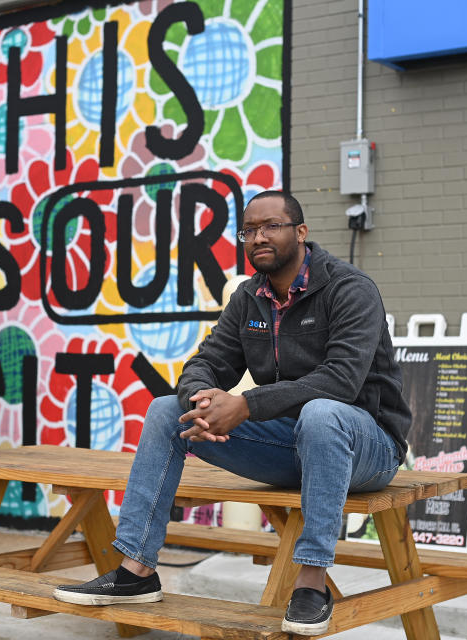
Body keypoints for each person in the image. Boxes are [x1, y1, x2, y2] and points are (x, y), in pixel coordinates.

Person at [53, 191, 412, 635]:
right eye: (249, 230)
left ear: (301, 232)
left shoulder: (349, 289)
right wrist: (203, 399)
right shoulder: (249, 298)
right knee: (168, 410)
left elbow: (340, 381)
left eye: (272, 226)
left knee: (323, 413)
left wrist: (245, 405)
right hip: (295, 446)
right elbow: (205, 363)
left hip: (368, 446)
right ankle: (136, 571)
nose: (259, 236)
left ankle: (312, 583)